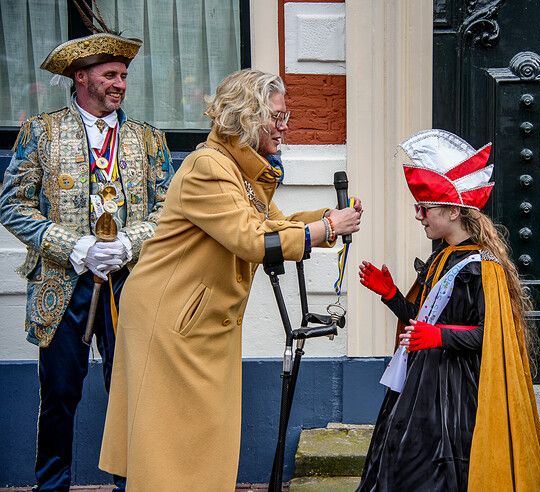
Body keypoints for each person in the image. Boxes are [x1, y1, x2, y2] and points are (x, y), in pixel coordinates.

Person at [98, 69, 362, 491]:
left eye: (285, 115)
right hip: (172, 320)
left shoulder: (240, 172)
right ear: (248, 117)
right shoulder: (208, 166)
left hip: (196, 318)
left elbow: (276, 224)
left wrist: (326, 221)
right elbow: (251, 239)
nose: (284, 126)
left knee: (195, 437)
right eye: (276, 117)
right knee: (175, 442)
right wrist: (326, 230)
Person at [0, 29, 172, 491]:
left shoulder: (149, 140)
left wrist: (129, 244)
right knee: (58, 396)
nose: (119, 83)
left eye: (123, 76)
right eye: (109, 75)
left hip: (130, 283)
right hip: (63, 285)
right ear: (81, 78)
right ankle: (52, 486)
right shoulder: (40, 132)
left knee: (131, 393)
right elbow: (12, 204)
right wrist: (75, 247)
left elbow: (167, 211)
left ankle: (130, 484)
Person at [357, 129, 540, 491]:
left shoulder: (484, 267)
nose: (419, 216)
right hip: (421, 381)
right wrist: (391, 295)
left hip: (458, 391)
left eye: (424, 208)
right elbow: (422, 317)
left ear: (450, 209)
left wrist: (438, 337)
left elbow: (489, 335)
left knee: (442, 468)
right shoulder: (440, 257)